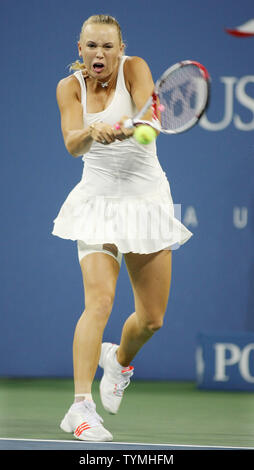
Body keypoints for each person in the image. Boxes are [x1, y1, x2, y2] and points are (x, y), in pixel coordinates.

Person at [52, 14, 192, 442]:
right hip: (97, 200)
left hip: (144, 198)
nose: (100, 54)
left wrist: (135, 128)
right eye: (91, 46)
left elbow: (151, 122)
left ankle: (118, 361)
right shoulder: (68, 88)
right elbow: (72, 145)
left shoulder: (136, 68)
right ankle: (80, 409)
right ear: (80, 49)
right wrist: (94, 131)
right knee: (99, 301)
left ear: (120, 48)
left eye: (108, 46)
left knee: (151, 320)